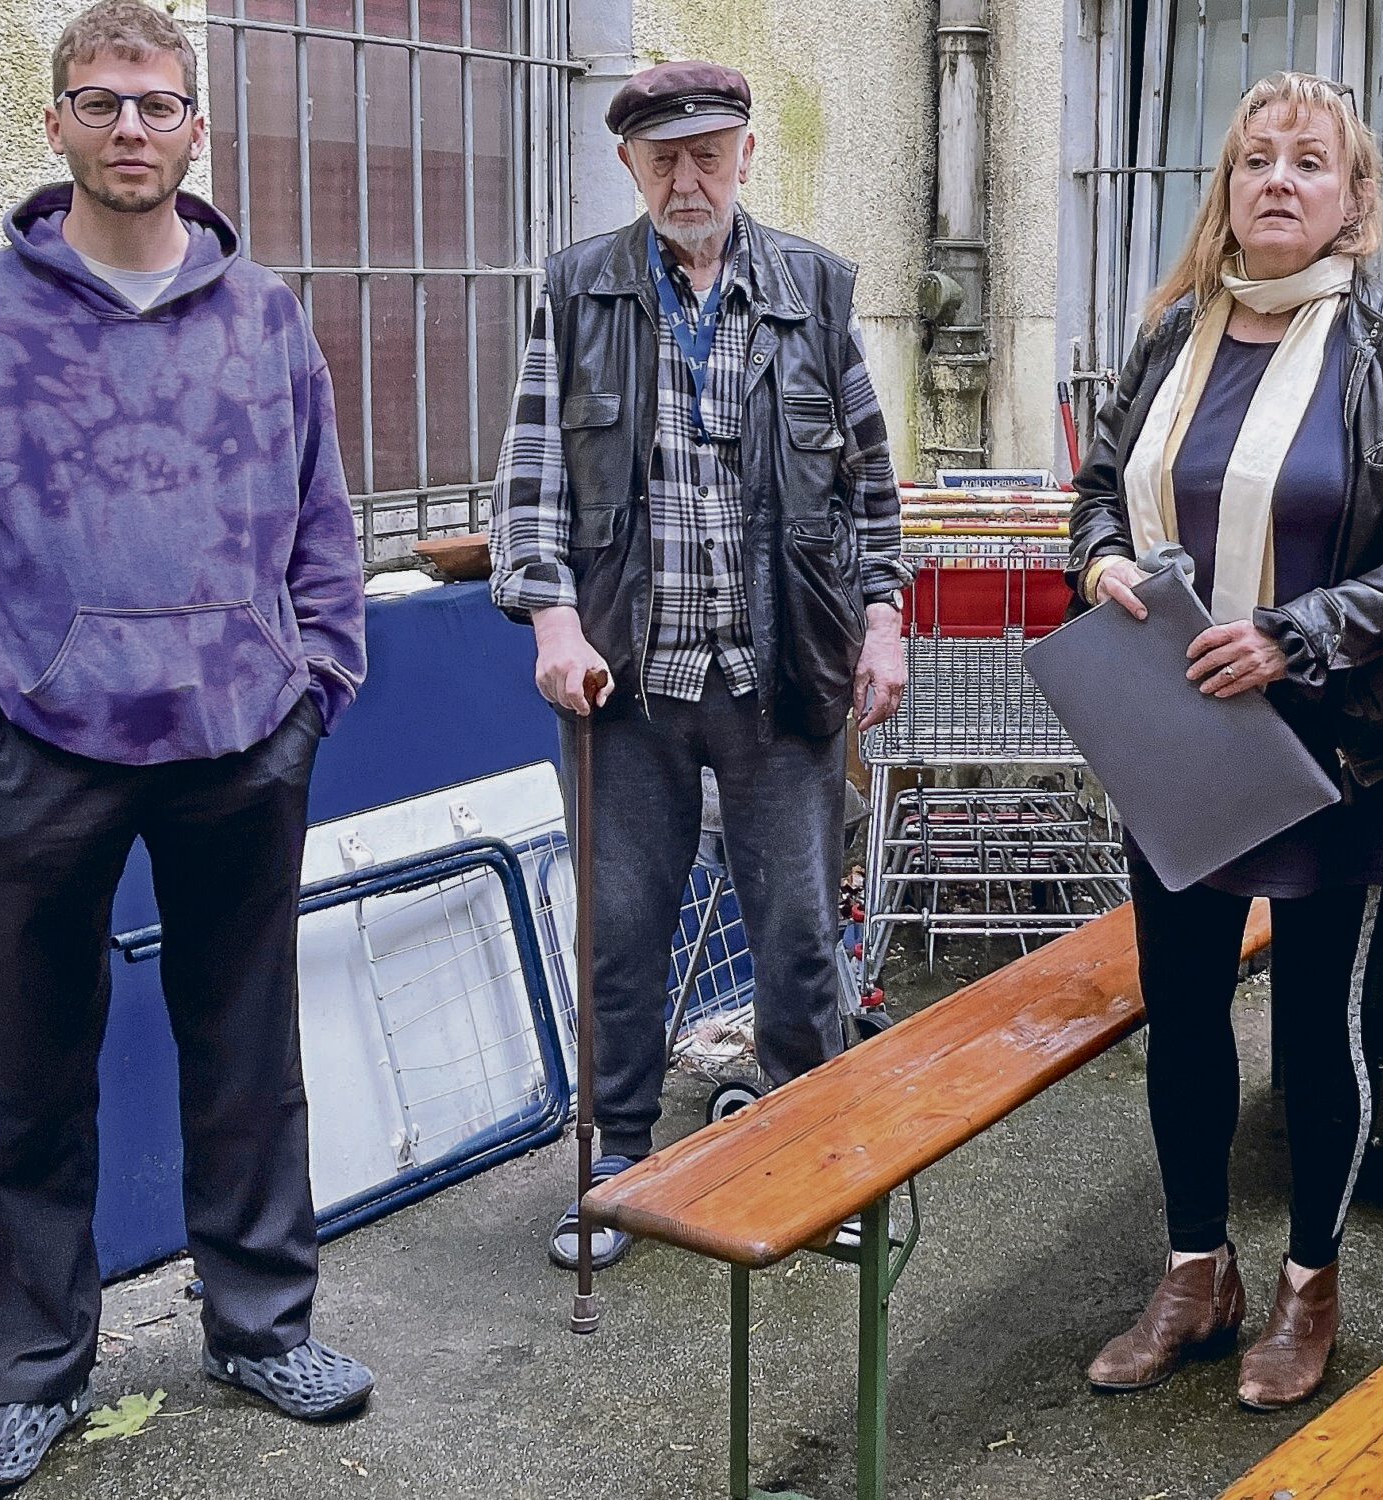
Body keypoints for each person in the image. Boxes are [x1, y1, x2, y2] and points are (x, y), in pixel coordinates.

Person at [0, 2, 376, 1490]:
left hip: (240, 738)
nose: (131, 132)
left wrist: (316, 684)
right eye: (101, 105)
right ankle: (32, 1372)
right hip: (35, 750)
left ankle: (260, 1323)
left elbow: (322, 524)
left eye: (157, 106)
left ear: (198, 129)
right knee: (33, 1076)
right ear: (55, 127)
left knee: (246, 1053)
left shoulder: (265, 315)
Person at [1066, 73, 1383, 1410]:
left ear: (1353, 201)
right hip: (1182, 744)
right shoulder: (1172, 337)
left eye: (1309, 163)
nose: (1277, 180)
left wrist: (1295, 634)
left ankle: (1311, 1288)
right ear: (1225, 190)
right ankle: (1199, 1275)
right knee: (1186, 1016)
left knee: (1319, 1029)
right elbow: (1097, 487)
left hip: (1341, 749)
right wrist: (1096, 563)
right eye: (1256, 158)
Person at [489, 60, 912, 1272]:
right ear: (629, 164)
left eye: (708, 153)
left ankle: (807, 1153)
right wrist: (552, 623)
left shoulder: (815, 290)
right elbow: (530, 485)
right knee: (623, 931)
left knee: (793, 931)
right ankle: (614, 1162)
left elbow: (872, 487)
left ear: (745, 155)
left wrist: (883, 620)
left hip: (781, 672)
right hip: (627, 676)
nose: (688, 178)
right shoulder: (577, 291)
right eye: (662, 157)